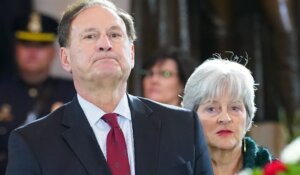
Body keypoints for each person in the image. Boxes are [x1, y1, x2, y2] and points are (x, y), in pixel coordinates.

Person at [5, 0, 213, 175]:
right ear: (65, 58)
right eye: (90, 36)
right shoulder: (32, 142)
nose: (105, 44)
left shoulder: (184, 126)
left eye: (115, 35)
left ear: (131, 54)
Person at [0, 11, 76, 174]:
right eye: (26, 44)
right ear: (15, 49)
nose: (33, 52)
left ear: (55, 52)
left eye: (41, 45)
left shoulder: (73, 92)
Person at [182, 56, 273, 175]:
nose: (225, 118)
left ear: (248, 115)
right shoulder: (169, 169)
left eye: (234, 108)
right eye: (211, 109)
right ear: (192, 116)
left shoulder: (275, 171)